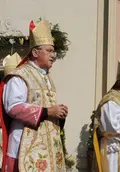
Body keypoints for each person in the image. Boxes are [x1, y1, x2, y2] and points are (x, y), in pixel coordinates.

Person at [0, 20, 68, 172]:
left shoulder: (46, 77)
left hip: (46, 146)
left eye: (54, 51)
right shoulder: (20, 75)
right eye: (49, 51)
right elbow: (13, 106)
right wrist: (47, 111)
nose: (53, 55)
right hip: (22, 146)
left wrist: (59, 114)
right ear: (35, 52)